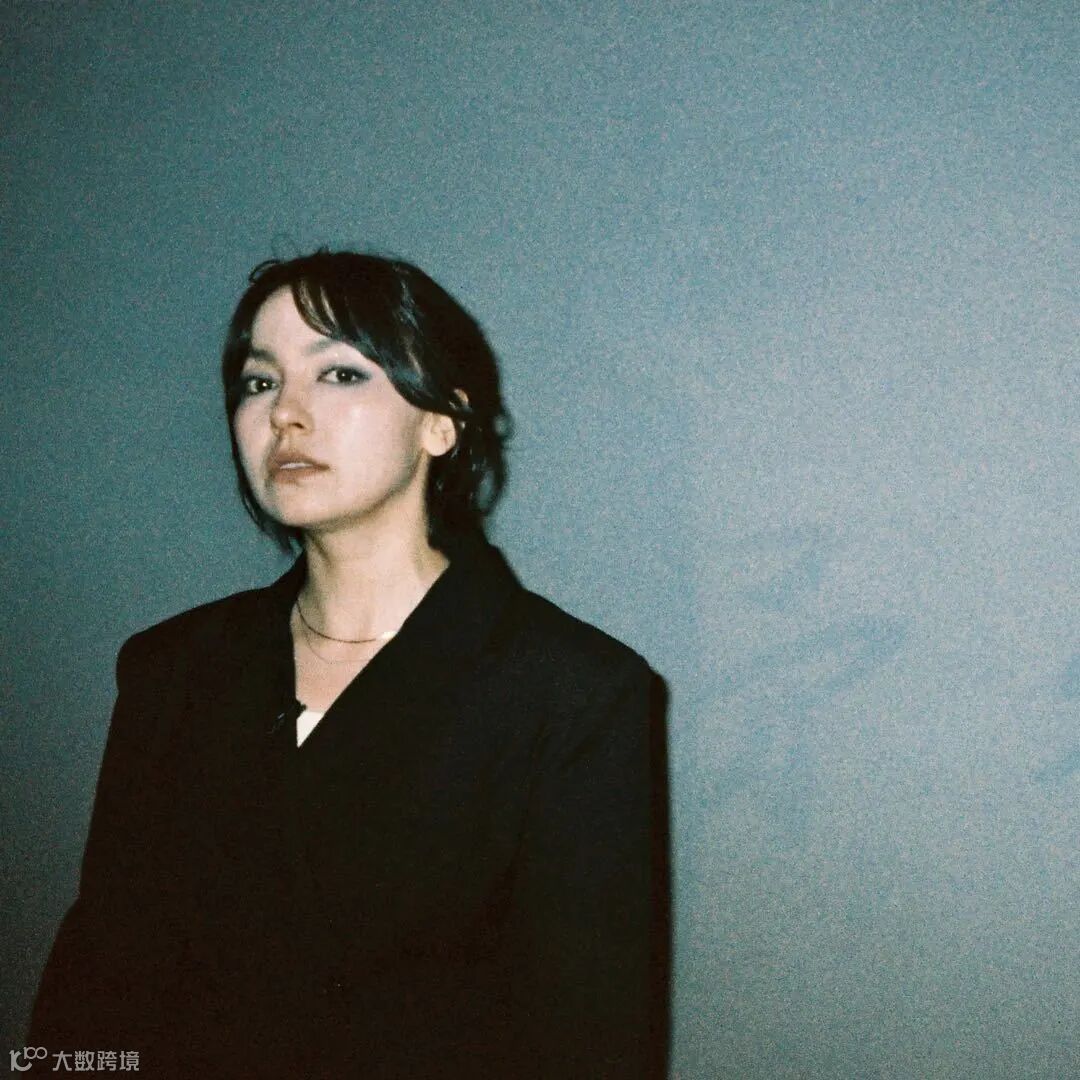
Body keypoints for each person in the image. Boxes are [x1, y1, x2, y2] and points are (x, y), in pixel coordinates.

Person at [30, 251, 669, 1078]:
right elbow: (95, 984)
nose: (285, 414)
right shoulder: (173, 669)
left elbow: (590, 1043)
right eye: (260, 382)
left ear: (441, 421)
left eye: (338, 373)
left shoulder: (572, 693)